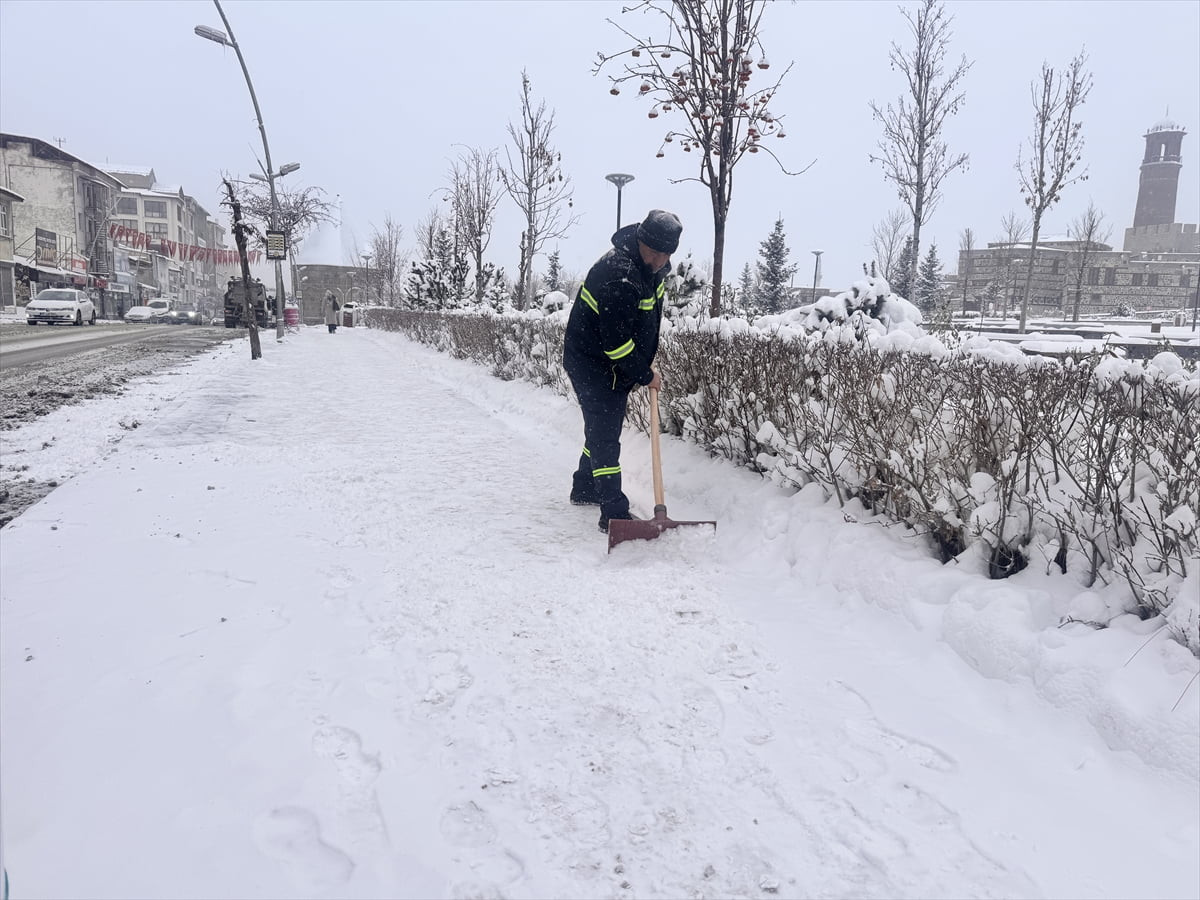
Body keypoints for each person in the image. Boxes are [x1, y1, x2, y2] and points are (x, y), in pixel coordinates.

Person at [562, 209, 682, 533]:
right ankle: (613, 513)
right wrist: (645, 375)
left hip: (613, 364)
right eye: (652, 252)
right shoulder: (620, 275)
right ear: (640, 241)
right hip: (591, 363)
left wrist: (641, 360)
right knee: (605, 435)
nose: (657, 259)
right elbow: (616, 345)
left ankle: (584, 486)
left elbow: (642, 319)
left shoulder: (652, 270)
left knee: (604, 427)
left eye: (663, 254)